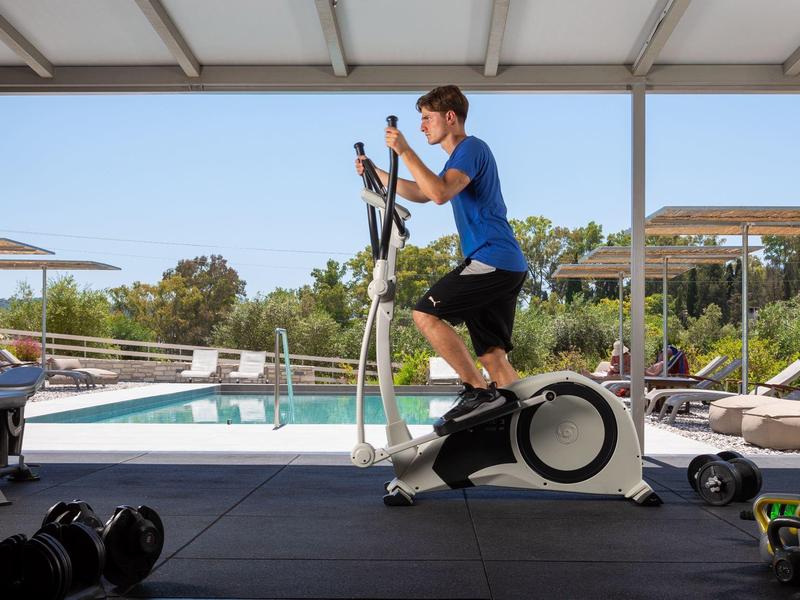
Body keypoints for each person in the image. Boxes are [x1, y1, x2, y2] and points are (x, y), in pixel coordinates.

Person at [355, 85, 528, 427]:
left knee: (424, 314)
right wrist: (377, 172)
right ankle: (533, 426)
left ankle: (477, 391)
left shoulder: (471, 147)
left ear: (450, 117)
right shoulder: (458, 159)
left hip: (492, 259)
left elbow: (438, 193)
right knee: (493, 356)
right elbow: (421, 191)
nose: (422, 127)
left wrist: (403, 149)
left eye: (427, 118)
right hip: (503, 264)